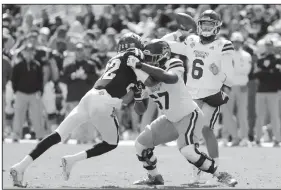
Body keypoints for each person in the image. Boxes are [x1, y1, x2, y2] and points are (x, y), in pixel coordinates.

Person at [9, 32, 149, 187]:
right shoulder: (134, 55)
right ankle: (73, 160)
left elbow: (126, 100)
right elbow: (138, 98)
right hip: (103, 102)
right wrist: (145, 84)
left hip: (90, 97)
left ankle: (20, 166)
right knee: (111, 143)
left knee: (58, 135)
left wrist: (136, 92)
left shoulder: (115, 61)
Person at [127, 40, 237, 187]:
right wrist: (138, 96)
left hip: (188, 115)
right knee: (140, 145)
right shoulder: (145, 73)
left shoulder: (174, 62)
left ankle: (221, 175)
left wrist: (139, 66)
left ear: (163, 55)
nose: (148, 61)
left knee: (188, 151)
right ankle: (155, 177)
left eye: (151, 58)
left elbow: (170, 78)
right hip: (170, 119)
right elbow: (140, 110)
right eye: (146, 59)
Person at [161, 10, 234, 182]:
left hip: (211, 94)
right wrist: (179, 32)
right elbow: (164, 45)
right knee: (191, 135)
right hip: (191, 95)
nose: (206, 28)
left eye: (210, 25)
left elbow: (230, 79)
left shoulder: (223, 44)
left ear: (217, 27)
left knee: (206, 130)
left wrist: (219, 74)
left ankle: (215, 168)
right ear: (198, 26)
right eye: (204, 24)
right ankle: (197, 171)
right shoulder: (191, 40)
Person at [221, 32, 252, 147]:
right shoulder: (226, 54)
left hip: (242, 86)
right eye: (234, 42)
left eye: (238, 42)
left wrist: (233, 69)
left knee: (242, 113)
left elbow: (246, 70)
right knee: (227, 113)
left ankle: (244, 137)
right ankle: (227, 137)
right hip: (229, 87)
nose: (236, 44)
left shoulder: (246, 55)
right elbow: (224, 71)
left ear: (242, 43)